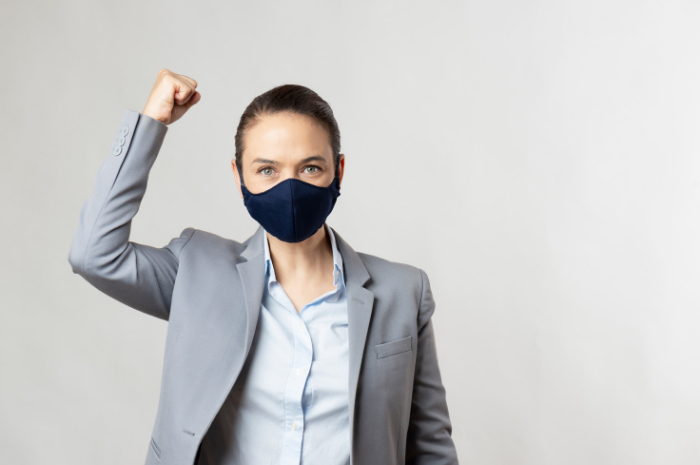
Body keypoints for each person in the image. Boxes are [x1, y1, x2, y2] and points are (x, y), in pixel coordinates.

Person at [68, 68, 458, 465]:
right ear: (239, 176)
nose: (289, 188)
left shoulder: (403, 291)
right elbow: (94, 254)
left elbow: (429, 444)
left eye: (310, 168)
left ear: (337, 172)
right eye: (266, 170)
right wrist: (152, 122)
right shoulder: (197, 269)